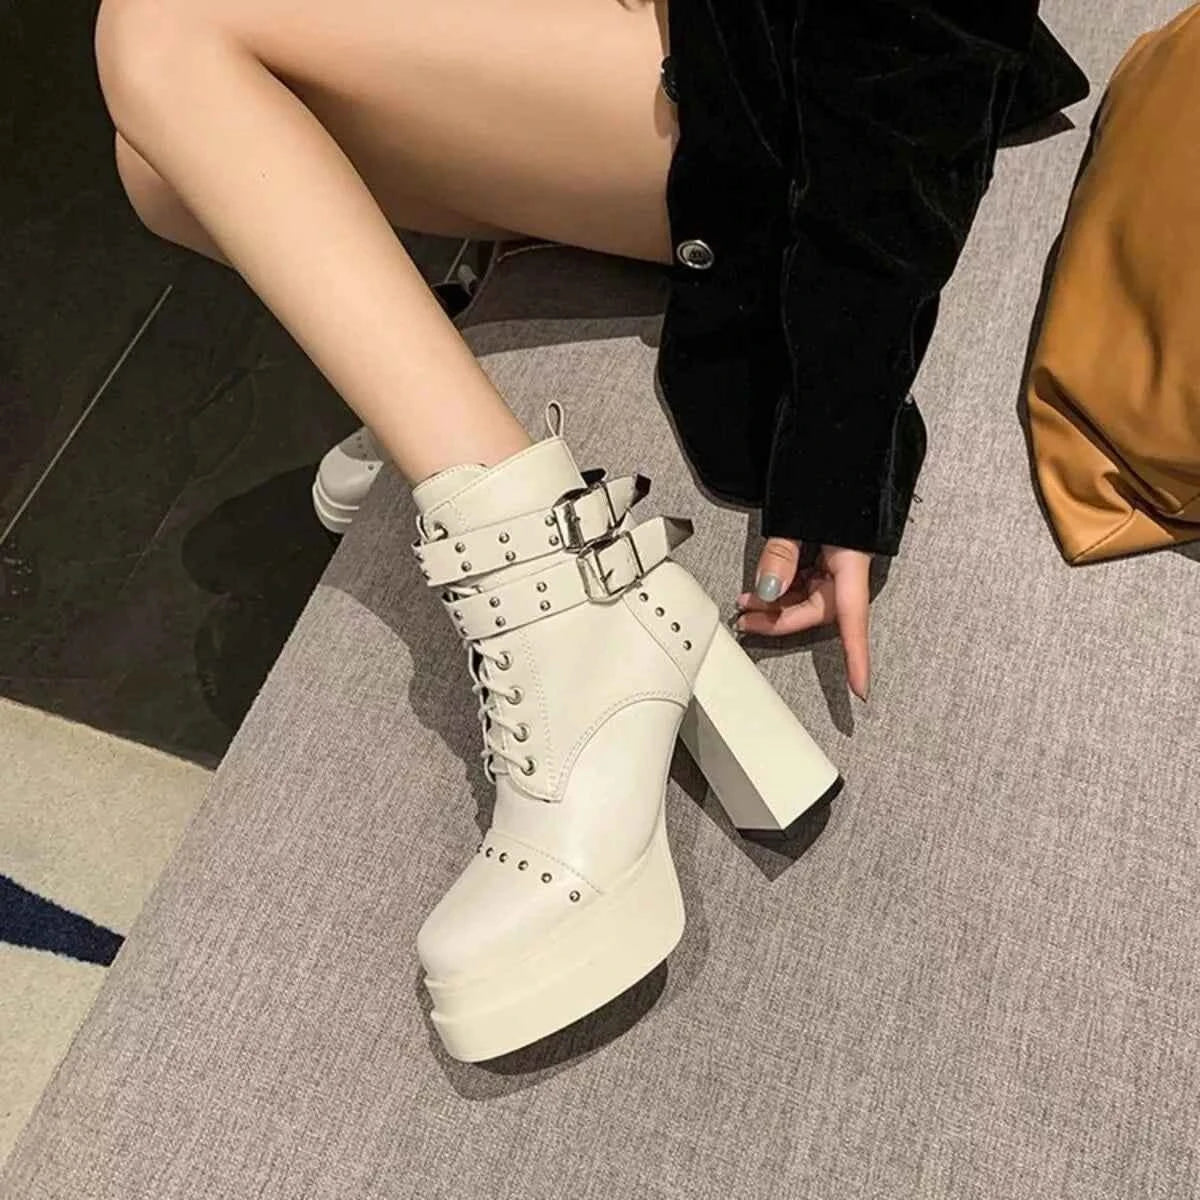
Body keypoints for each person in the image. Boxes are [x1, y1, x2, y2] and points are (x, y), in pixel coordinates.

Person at [93, 0, 1084, 1059]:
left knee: (163, 31)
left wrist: (841, 435)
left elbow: (922, 35)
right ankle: (436, 403)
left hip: (793, 75)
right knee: (157, 164)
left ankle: (562, 607)